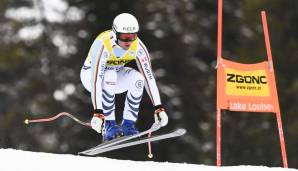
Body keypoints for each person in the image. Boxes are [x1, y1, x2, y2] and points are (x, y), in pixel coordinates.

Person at [80, 13, 168, 141]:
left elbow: (149, 78)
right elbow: (96, 80)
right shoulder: (103, 44)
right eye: (124, 37)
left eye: (132, 36)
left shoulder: (138, 46)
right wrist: (98, 113)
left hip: (114, 76)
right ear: (115, 34)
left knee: (138, 79)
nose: (129, 42)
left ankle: (128, 125)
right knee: (109, 74)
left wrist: (158, 108)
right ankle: (109, 125)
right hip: (90, 77)